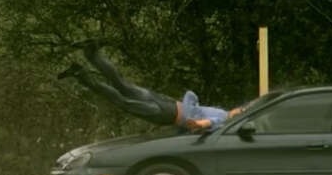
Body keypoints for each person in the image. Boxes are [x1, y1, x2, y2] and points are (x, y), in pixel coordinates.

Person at [58, 42, 243, 132]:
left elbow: (190, 95)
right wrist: (194, 122)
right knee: (120, 100)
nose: (238, 110)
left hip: (165, 102)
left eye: (240, 112)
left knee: (121, 85)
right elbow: (204, 121)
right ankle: (80, 73)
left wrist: (192, 113)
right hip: (164, 112)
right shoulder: (224, 121)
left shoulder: (224, 117)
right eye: (241, 110)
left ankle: (92, 54)